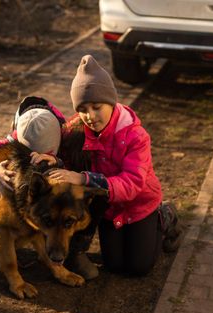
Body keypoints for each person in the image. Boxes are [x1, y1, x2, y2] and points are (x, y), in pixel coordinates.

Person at [43, 54, 180, 275]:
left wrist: (84, 178)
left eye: (97, 106)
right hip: (108, 208)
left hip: (139, 203)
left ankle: (165, 216)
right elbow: (62, 156)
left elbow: (133, 183)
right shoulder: (75, 130)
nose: (90, 115)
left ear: (111, 102)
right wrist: (54, 159)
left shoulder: (136, 136)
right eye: (83, 109)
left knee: (138, 268)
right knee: (114, 266)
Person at [0, 96, 101, 280]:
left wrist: (58, 161)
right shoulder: (13, 139)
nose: (38, 162)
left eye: (43, 157)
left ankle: (77, 250)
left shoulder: (66, 132)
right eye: (33, 158)